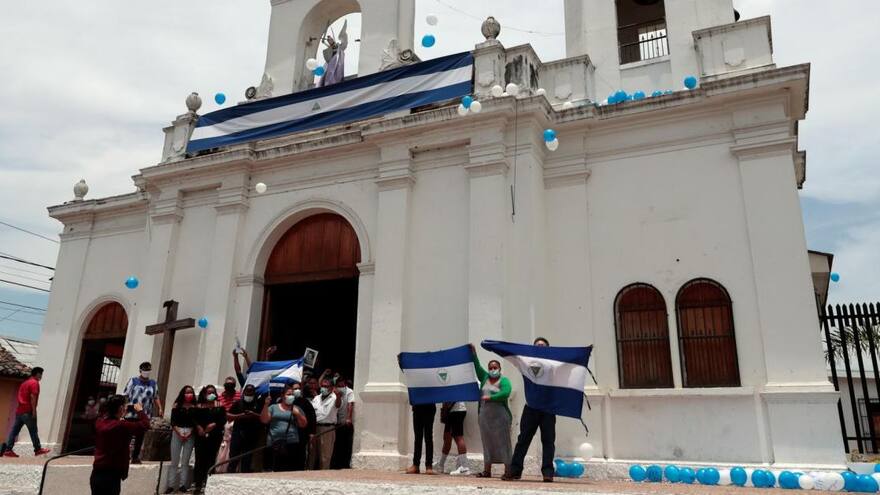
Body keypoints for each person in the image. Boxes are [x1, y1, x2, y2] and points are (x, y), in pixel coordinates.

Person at [508, 337, 556, 482]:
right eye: (537, 346)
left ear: (548, 348)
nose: (540, 347)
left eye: (543, 345)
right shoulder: (527, 363)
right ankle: (515, 471)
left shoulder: (554, 364)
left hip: (548, 408)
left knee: (548, 441)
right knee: (523, 440)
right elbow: (513, 355)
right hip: (531, 408)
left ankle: (548, 473)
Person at [90, 394, 150, 495]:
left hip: (97, 472)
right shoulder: (121, 425)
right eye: (125, 406)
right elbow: (145, 425)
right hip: (111, 475)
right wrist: (140, 411)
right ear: (121, 408)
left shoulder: (99, 423)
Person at [470, 345, 512, 479]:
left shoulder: (504, 380)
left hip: (501, 418)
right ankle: (487, 470)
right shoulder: (484, 378)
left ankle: (508, 471)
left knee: (504, 443)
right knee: (487, 443)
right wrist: (474, 354)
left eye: (495, 367)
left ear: (499, 369)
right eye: (491, 368)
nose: (493, 370)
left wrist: (491, 397)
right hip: (485, 418)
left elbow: (506, 393)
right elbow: (477, 367)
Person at [1, 367, 51, 457]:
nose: (41, 376)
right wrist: (34, 411)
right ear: (37, 374)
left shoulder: (24, 383)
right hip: (28, 411)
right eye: (41, 374)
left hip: (19, 410)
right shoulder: (34, 383)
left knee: (14, 431)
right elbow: (33, 397)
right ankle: (38, 449)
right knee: (33, 431)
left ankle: (8, 450)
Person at [123, 361, 163, 464]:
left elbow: (156, 396)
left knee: (140, 436)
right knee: (127, 435)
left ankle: (135, 456)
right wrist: (123, 409)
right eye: (145, 370)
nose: (146, 372)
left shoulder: (153, 383)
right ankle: (124, 455)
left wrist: (160, 408)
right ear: (140, 370)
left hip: (144, 413)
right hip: (131, 413)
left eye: (148, 370)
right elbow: (126, 395)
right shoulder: (133, 381)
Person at [261, 385, 308, 471]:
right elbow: (264, 420)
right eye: (288, 394)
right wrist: (266, 405)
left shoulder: (296, 409)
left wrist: (297, 414)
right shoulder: (273, 407)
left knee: (290, 469)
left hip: (291, 443)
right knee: (274, 469)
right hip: (274, 443)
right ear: (282, 396)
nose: (291, 396)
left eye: (292, 394)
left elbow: (303, 424)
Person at [192, 385, 225, 494]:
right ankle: (197, 484)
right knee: (200, 460)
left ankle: (208, 483)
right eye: (208, 392)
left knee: (211, 460)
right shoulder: (199, 406)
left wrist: (214, 424)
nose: (210, 395)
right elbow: (194, 419)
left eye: (213, 392)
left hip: (214, 436)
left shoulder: (219, 406)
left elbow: (222, 420)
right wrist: (199, 427)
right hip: (201, 436)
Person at [166, 385, 197, 494]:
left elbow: (196, 422)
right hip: (177, 432)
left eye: (191, 393)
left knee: (185, 461)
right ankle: (171, 485)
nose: (189, 395)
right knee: (174, 460)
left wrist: (190, 432)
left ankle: (183, 485)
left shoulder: (195, 407)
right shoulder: (176, 406)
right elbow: (173, 422)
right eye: (187, 392)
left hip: (190, 433)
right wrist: (179, 432)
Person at [227, 384, 264, 473]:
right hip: (238, 433)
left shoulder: (258, 403)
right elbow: (228, 415)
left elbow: (263, 417)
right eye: (247, 391)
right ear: (244, 392)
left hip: (251, 435)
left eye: (251, 391)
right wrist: (241, 416)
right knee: (233, 457)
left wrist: (253, 414)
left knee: (247, 459)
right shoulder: (238, 403)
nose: (249, 393)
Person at [308, 373, 340, 470]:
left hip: (327, 429)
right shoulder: (317, 398)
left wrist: (338, 396)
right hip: (315, 428)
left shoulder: (335, 398)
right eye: (322, 386)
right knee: (311, 454)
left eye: (326, 386)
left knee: (325, 456)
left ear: (331, 387)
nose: (323, 388)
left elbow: (338, 405)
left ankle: (324, 475)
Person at [435, 401, 469, 475]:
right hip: (452, 410)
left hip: (456, 410)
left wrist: (446, 408)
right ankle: (441, 465)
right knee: (447, 437)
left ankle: (464, 467)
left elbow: (452, 395)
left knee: (458, 437)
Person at [330, 373, 355, 469]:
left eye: (342, 385)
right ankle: (336, 465)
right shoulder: (334, 393)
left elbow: (350, 405)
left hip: (346, 424)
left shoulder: (349, 392)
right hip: (337, 423)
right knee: (337, 445)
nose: (340, 387)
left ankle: (345, 464)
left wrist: (348, 418)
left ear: (345, 384)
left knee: (346, 446)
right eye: (338, 385)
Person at [290, 381, 316, 471]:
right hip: (289, 433)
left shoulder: (305, 402)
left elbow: (312, 417)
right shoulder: (286, 402)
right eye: (295, 389)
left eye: (298, 388)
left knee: (301, 454)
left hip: (302, 433)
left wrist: (312, 432)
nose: (297, 390)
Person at [406, 402, 436, 475]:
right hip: (417, 407)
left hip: (429, 407)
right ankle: (416, 465)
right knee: (418, 438)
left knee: (428, 437)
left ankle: (429, 466)